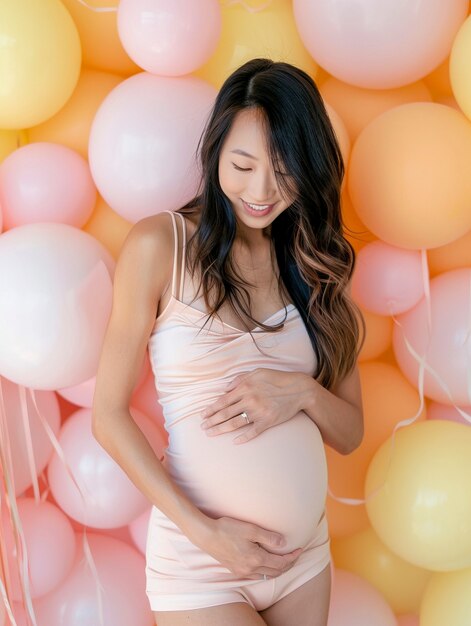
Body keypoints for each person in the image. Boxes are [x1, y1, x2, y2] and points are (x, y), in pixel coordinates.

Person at [92, 58, 365, 626]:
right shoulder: (159, 246)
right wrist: (207, 534)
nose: (262, 191)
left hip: (303, 560)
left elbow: (350, 433)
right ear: (215, 150)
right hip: (202, 563)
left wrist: (304, 393)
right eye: (242, 165)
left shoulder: (313, 266)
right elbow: (108, 416)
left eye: (285, 171)